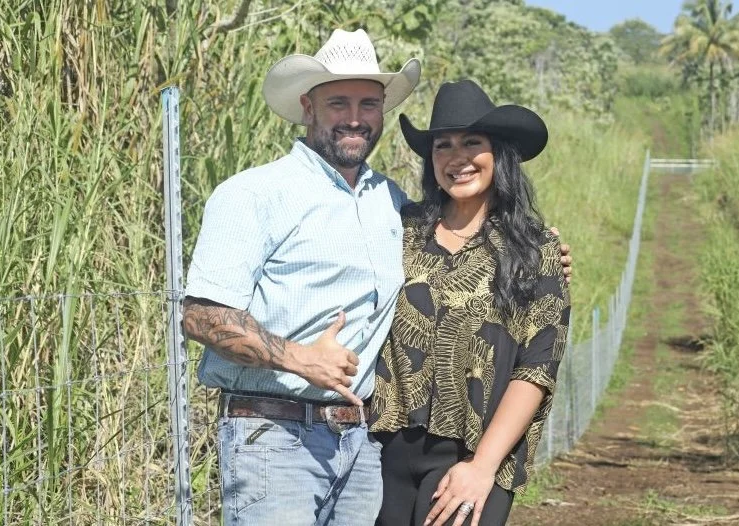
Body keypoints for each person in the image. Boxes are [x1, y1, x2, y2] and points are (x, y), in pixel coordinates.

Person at [182, 29, 571, 526]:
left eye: (368, 104)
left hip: (362, 448)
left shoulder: (389, 204)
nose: (353, 117)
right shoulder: (259, 194)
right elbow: (198, 315)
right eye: (337, 102)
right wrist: (301, 359)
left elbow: (535, 365)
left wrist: (545, 254)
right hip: (281, 438)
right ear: (307, 107)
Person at [369, 79, 571, 526]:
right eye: (443, 145)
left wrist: (482, 467)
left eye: (471, 143)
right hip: (382, 454)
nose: (457, 157)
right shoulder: (399, 231)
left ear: (499, 153)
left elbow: (536, 370)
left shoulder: (535, 253)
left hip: (475, 457)